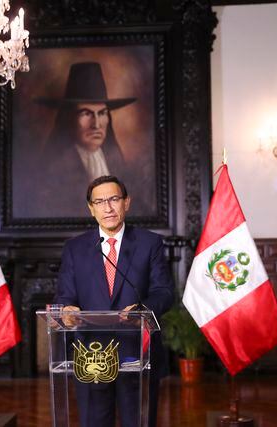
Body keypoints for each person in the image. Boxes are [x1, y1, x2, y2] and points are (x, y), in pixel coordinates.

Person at [54, 175, 174, 427]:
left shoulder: (149, 243)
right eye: (99, 202)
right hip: (90, 357)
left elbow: (164, 292)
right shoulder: (75, 248)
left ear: (126, 203)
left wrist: (143, 310)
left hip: (137, 355)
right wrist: (67, 309)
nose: (107, 208)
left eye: (114, 199)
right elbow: (65, 296)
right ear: (91, 208)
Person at [32, 62, 137, 217]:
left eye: (102, 113)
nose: (96, 124)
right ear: (69, 118)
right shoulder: (55, 169)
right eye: (86, 113)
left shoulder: (117, 163)